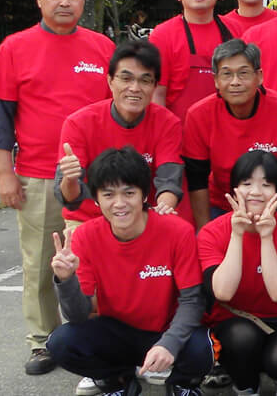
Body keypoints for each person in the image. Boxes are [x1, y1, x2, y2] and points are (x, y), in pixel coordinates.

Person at [0, 0, 114, 375]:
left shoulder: (102, 48)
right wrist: (5, 174)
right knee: (40, 265)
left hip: (96, 181)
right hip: (38, 176)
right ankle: (43, 342)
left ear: (83, 0)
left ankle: (100, 335)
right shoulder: (14, 48)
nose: (64, 2)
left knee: (99, 262)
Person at [46, 147, 212, 396]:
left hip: (167, 328)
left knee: (204, 349)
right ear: (97, 198)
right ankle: (117, 381)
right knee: (61, 343)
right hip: (118, 331)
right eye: (109, 194)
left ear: (145, 195)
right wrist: (65, 279)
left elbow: (192, 300)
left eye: (129, 193)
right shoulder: (85, 237)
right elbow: (78, 316)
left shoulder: (178, 231)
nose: (119, 203)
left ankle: (182, 384)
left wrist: (169, 344)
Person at [197, 152, 277, 396]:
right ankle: (246, 387)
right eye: (247, 184)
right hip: (232, 321)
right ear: (234, 189)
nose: (256, 192)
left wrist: (266, 236)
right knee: (241, 338)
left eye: (266, 184)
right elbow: (223, 292)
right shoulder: (211, 233)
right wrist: (237, 234)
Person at [56, 40, 183, 229]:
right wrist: (70, 178)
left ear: (155, 86)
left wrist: (164, 208)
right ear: (110, 81)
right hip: (88, 221)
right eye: (126, 79)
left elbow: (169, 182)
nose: (135, 88)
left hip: (143, 218)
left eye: (145, 80)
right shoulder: (79, 123)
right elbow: (69, 199)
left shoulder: (168, 123)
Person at [182, 40, 277, 229]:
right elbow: (197, 179)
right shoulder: (199, 115)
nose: (235, 82)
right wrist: (205, 231)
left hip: (273, 209)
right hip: (221, 206)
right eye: (227, 74)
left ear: (259, 76)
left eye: (243, 73)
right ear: (215, 80)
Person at [150, 0, 235, 121]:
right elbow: (157, 93)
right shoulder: (163, 35)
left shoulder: (235, 31)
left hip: (228, 132)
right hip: (180, 133)